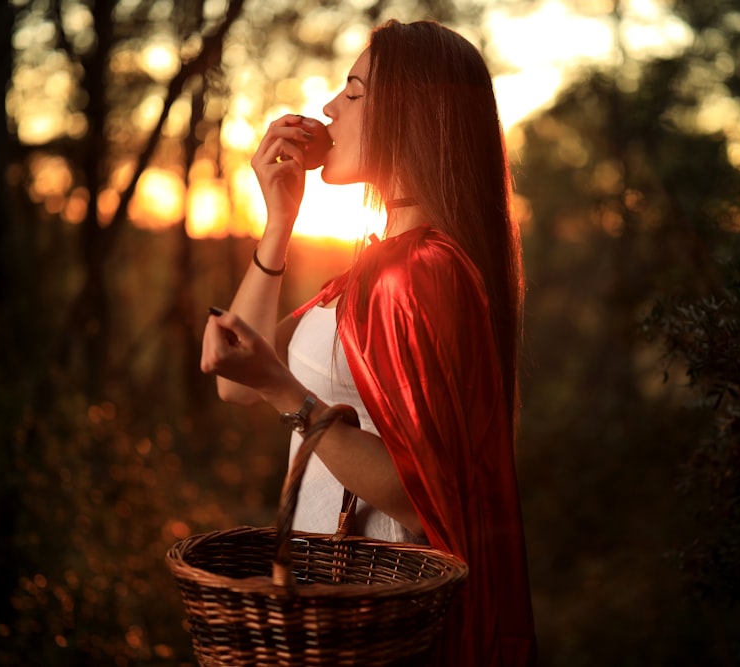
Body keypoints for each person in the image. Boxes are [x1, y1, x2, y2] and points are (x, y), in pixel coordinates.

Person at [200, 19, 536, 666]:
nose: (328, 108)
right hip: (326, 615)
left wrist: (283, 390)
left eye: (352, 91)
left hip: (380, 628)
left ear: (413, 112)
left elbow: (421, 494)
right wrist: (279, 223)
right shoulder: (373, 268)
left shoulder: (424, 271)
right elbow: (234, 380)